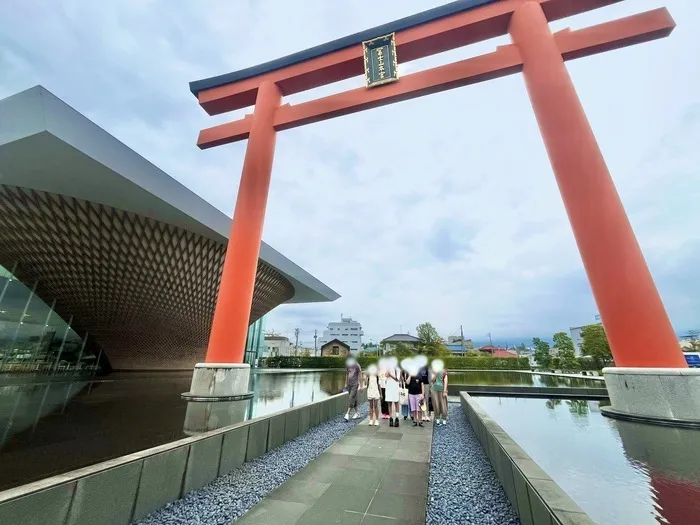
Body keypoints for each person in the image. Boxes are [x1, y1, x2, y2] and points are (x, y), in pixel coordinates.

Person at [384, 358, 401, 427]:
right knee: (389, 403)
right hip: (389, 387)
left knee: (396, 403)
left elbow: (397, 379)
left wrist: (390, 374)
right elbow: (386, 375)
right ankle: (391, 418)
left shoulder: (397, 369)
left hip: (395, 388)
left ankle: (397, 418)